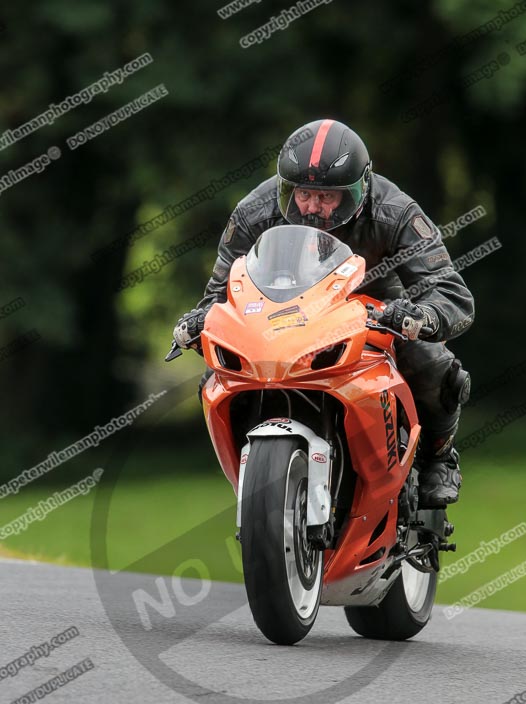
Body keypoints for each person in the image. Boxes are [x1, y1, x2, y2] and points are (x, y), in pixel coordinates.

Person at [173, 119, 474, 508]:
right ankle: (253, 481)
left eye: (327, 196)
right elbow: (218, 295)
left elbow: (450, 292)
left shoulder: (395, 210)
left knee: (432, 364)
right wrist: (199, 322)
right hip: (279, 319)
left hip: (374, 315)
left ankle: (438, 458)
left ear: (360, 188)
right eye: (303, 194)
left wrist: (422, 317)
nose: (312, 206)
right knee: (218, 377)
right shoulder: (253, 211)